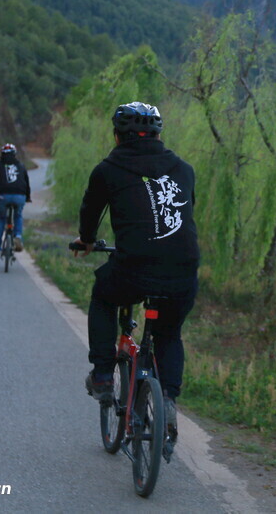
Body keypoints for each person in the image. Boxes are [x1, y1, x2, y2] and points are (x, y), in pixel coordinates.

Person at [73, 102, 199, 444]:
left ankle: (101, 374)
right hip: (183, 272)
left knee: (104, 293)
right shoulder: (184, 169)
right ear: (159, 135)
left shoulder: (108, 169)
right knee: (168, 334)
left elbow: (91, 212)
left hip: (134, 270)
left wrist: (86, 241)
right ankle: (168, 400)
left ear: (117, 136)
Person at [0, 143, 31, 252]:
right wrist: (28, 197)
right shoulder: (21, 166)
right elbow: (26, 182)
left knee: (2, 218)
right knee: (18, 216)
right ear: (15, 154)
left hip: (4, 196)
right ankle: (17, 235)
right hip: (19, 196)